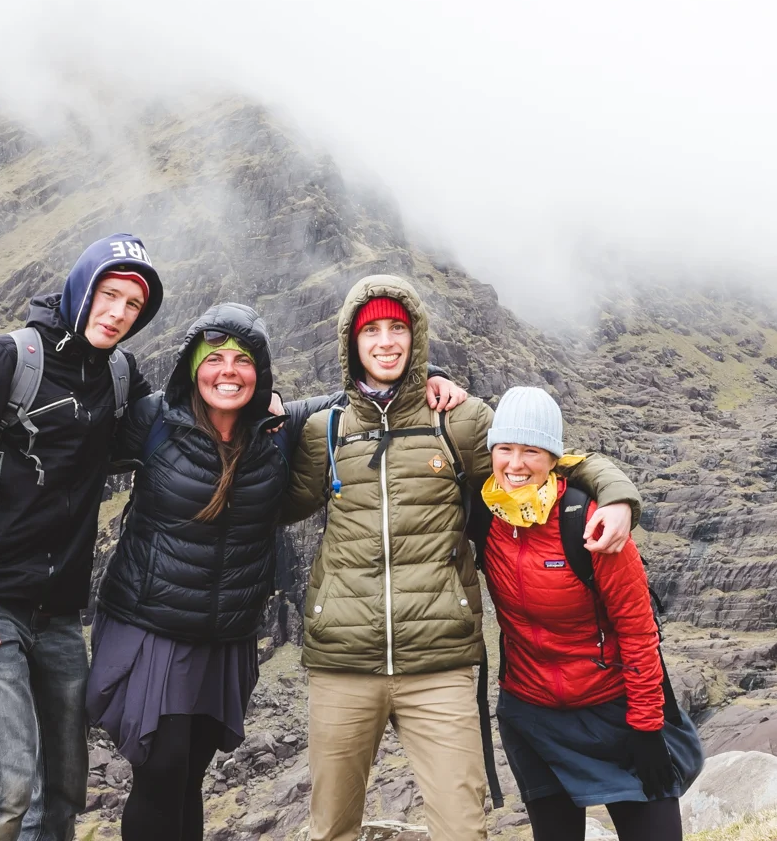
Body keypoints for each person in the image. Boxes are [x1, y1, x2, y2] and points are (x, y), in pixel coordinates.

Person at [88, 302, 468, 841]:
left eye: (242, 361)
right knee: (162, 764)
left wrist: (431, 375)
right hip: (153, 625)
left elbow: (362, 396)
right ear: (192, 367)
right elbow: (72, 453)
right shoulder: (154, 419)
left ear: (260, 371)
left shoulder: (279, 428)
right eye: (213, 359)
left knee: (190, 771)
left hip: (224, 633)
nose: (228, 372)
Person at [284, 275, 644, 841]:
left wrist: (616, 493)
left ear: (417, 337)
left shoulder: (460, 420)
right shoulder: (325, 431)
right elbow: (273, 503)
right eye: (370, 331)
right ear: (350, 342)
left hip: (440, 663)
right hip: (342, 662)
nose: (385, 342)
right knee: (330, 828)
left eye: (397, 328)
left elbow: (539, 456)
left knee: (462, 828)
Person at [0, 233, 165, 841]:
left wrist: (272, 399)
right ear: (82, 288)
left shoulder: (120, 374)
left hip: (59, 619)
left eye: (133, 305)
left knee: (63, 793)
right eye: (109, 295)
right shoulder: (6, 360)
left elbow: (175, 418)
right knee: (7, 791)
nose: (118, 313)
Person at [481, 387, 703, 841]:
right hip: (533, 715)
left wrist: (646, 728)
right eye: (505, 448)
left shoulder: (589, 521)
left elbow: (639, 631)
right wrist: (436, 377)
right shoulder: (484, 514)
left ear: (555, 458)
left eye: (531, 450)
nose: (516, 464)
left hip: (613, 712)